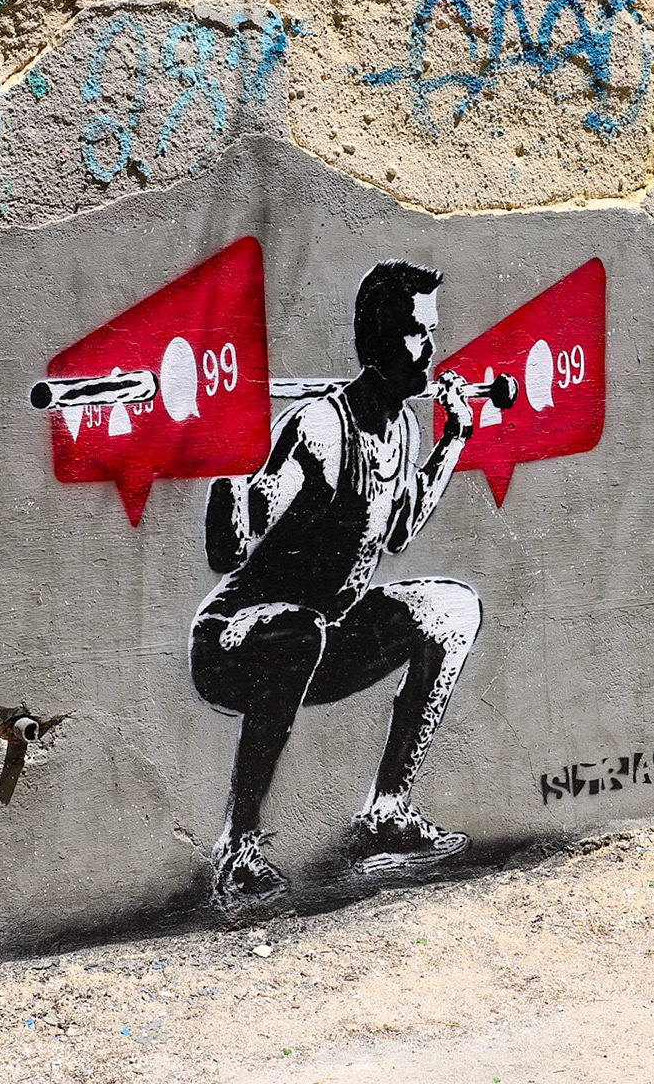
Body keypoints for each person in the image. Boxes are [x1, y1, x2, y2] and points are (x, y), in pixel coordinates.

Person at [190, 260, 482, 907]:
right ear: (377, 340)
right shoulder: (320, 429)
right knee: (297, 631)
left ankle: (385, 813)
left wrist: (454, 440)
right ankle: (238, 850)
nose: (429, 348)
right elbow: (231, 543)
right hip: (234, 644)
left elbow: (397, 529)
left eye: (432, 331)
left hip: (324, 636)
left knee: (451, 609)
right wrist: (225, 457)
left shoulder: (402, 428)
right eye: (414, 332)